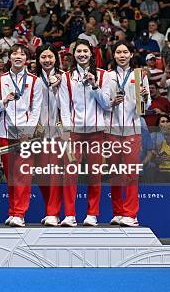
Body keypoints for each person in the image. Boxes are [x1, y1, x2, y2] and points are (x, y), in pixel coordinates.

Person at [58, 39, 111, 227]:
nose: (82, 54)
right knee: (70, 173)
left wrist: (94, 85)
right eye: (79, 51)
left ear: (92, 53)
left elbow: (107, 104)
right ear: (74, 54)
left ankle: (92, 214)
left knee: (94, 174)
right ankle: (70, 214)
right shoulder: (65, 77)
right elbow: (64, 106)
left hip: (97, 131)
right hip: (74, 133)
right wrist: (66, 130)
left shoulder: (104, 76)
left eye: (85, 51)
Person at [0, 44, 43, 227]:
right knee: (10, 175)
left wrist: (27, 132)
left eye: (22, 54)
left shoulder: (35, 81)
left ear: (27, 59)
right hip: (5, 132)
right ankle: (12, 212)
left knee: (23, 175)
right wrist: (4, 100)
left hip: (25, 135)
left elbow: (36, 109)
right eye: (15, 53)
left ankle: (20, 213)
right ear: (9, 57)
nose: (18, 56)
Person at [104, 41, 150, 227]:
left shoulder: (140, 76)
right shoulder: (108, 76)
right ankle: (118, 212)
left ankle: (131, 214)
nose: (122, 55)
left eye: (125, 52)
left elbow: (145, 108)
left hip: (132, 129)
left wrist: (146, 98)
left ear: (131, 55)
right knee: (115, 173)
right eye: (118, 52)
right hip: (111, 130)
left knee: (131, 173)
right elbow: (102, 103)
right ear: (114, 55)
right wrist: (111, 102)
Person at [34, 44, 64, 226]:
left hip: (57, 132)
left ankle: (54, 212)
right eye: (43, 57)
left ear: (56, 58)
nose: (47, 60)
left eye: (50, 57)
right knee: (41, 174)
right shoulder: (34, 80)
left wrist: (56, 88)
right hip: (38, 133)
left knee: (54, 174)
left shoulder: (63, 77)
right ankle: (49, 209)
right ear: (38, 60)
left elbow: (68, 104)